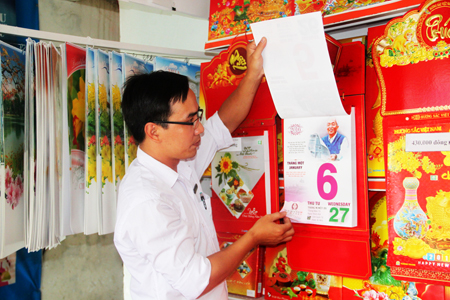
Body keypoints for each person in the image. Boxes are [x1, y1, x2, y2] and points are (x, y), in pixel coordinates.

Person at [114, 37, 294, 300]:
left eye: (197, 116)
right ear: (153, 131)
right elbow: (196, 279)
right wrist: (254, 237)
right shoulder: (147, 200)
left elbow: (223, 123)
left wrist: (254, 73)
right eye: (190, 121)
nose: (199, 128)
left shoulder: (180, 161)